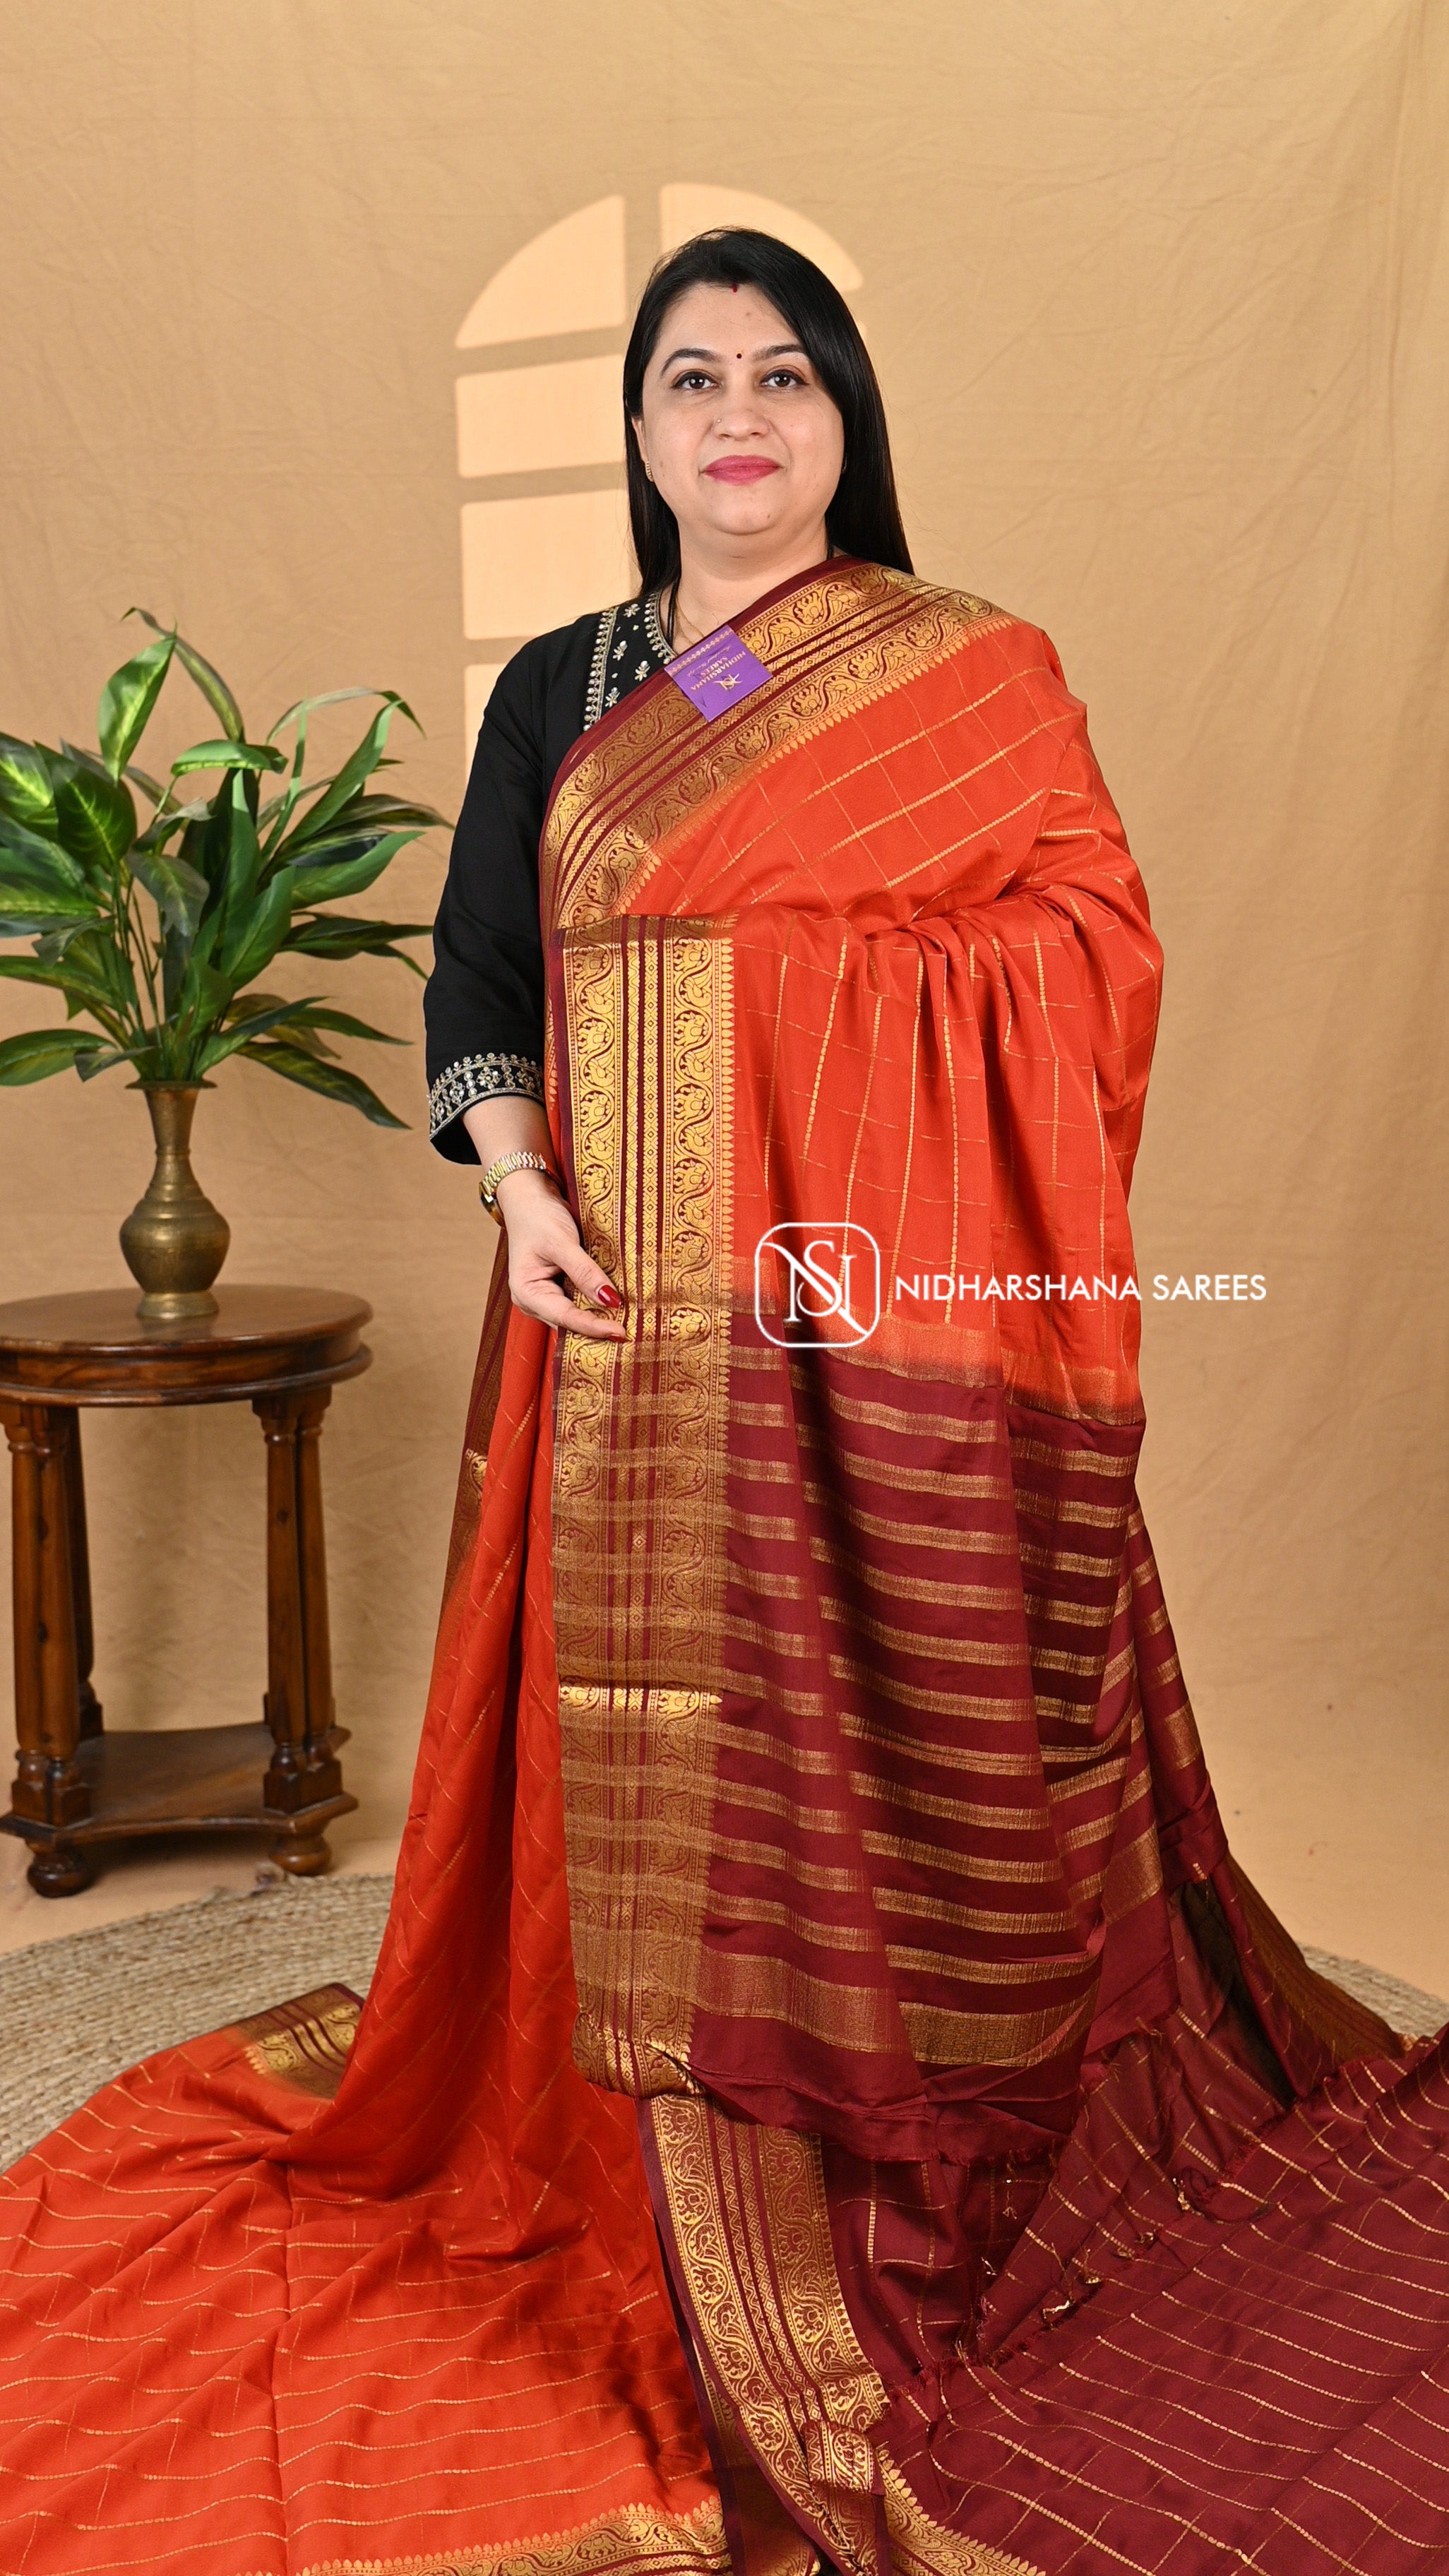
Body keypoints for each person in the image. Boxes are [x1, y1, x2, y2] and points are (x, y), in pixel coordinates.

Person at [2, 229, 1447, 2576]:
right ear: (641, 429)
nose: (740, 416)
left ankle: (897, 2089)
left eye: (785, 375)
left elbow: (1087, 953)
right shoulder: (561, 691)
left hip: (891, 1338)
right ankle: (621, 2121)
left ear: (842, 418)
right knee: (640, 1735)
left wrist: (741, 988)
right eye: (694, 378)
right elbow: (482, 985)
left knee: (894, 1711)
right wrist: (515, 1189)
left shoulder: (964, 672)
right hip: (612, 1326)